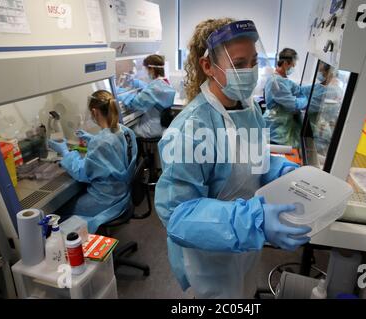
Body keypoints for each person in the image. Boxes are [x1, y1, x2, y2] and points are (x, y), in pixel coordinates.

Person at [154, 19, 311, 299]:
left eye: (253, 61)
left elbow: (250, 161)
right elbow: (179, 216)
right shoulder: (189, 130)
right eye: (239, 64)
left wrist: (282, 171)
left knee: (244, 293)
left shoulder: (248, 109)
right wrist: (253, 221)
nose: (249, 71)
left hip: (245, 244)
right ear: (208, 67)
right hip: (208, 255)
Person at [48, 90, 138, 233]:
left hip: (106, 200)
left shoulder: (101, 142)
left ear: (95, 112)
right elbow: (116, 148)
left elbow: (81, 172)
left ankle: (78, 247)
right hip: (123, 194)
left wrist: (65, 151)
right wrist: (91, 138)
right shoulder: (126, 131)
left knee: (58, 212)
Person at [123, 54, 176, 139]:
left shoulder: (155, 88)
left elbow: (135, 103)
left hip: (152, 128)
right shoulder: (165, 82)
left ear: (151, 69)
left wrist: (122, 94)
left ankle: (139, 152)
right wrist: (136, 82)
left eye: (146, 69)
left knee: (127, 130)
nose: (146, 72)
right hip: (162, 125)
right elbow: (152, 91)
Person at [263, 48, 308, 146]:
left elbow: (298, 90)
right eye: (293, 64)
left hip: (281, 127)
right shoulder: (276, 82)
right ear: (285, 64)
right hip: (276, 130)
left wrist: (306, 93)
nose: (294, 67)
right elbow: (294, 104)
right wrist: (306, 100)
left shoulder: (283, 80)